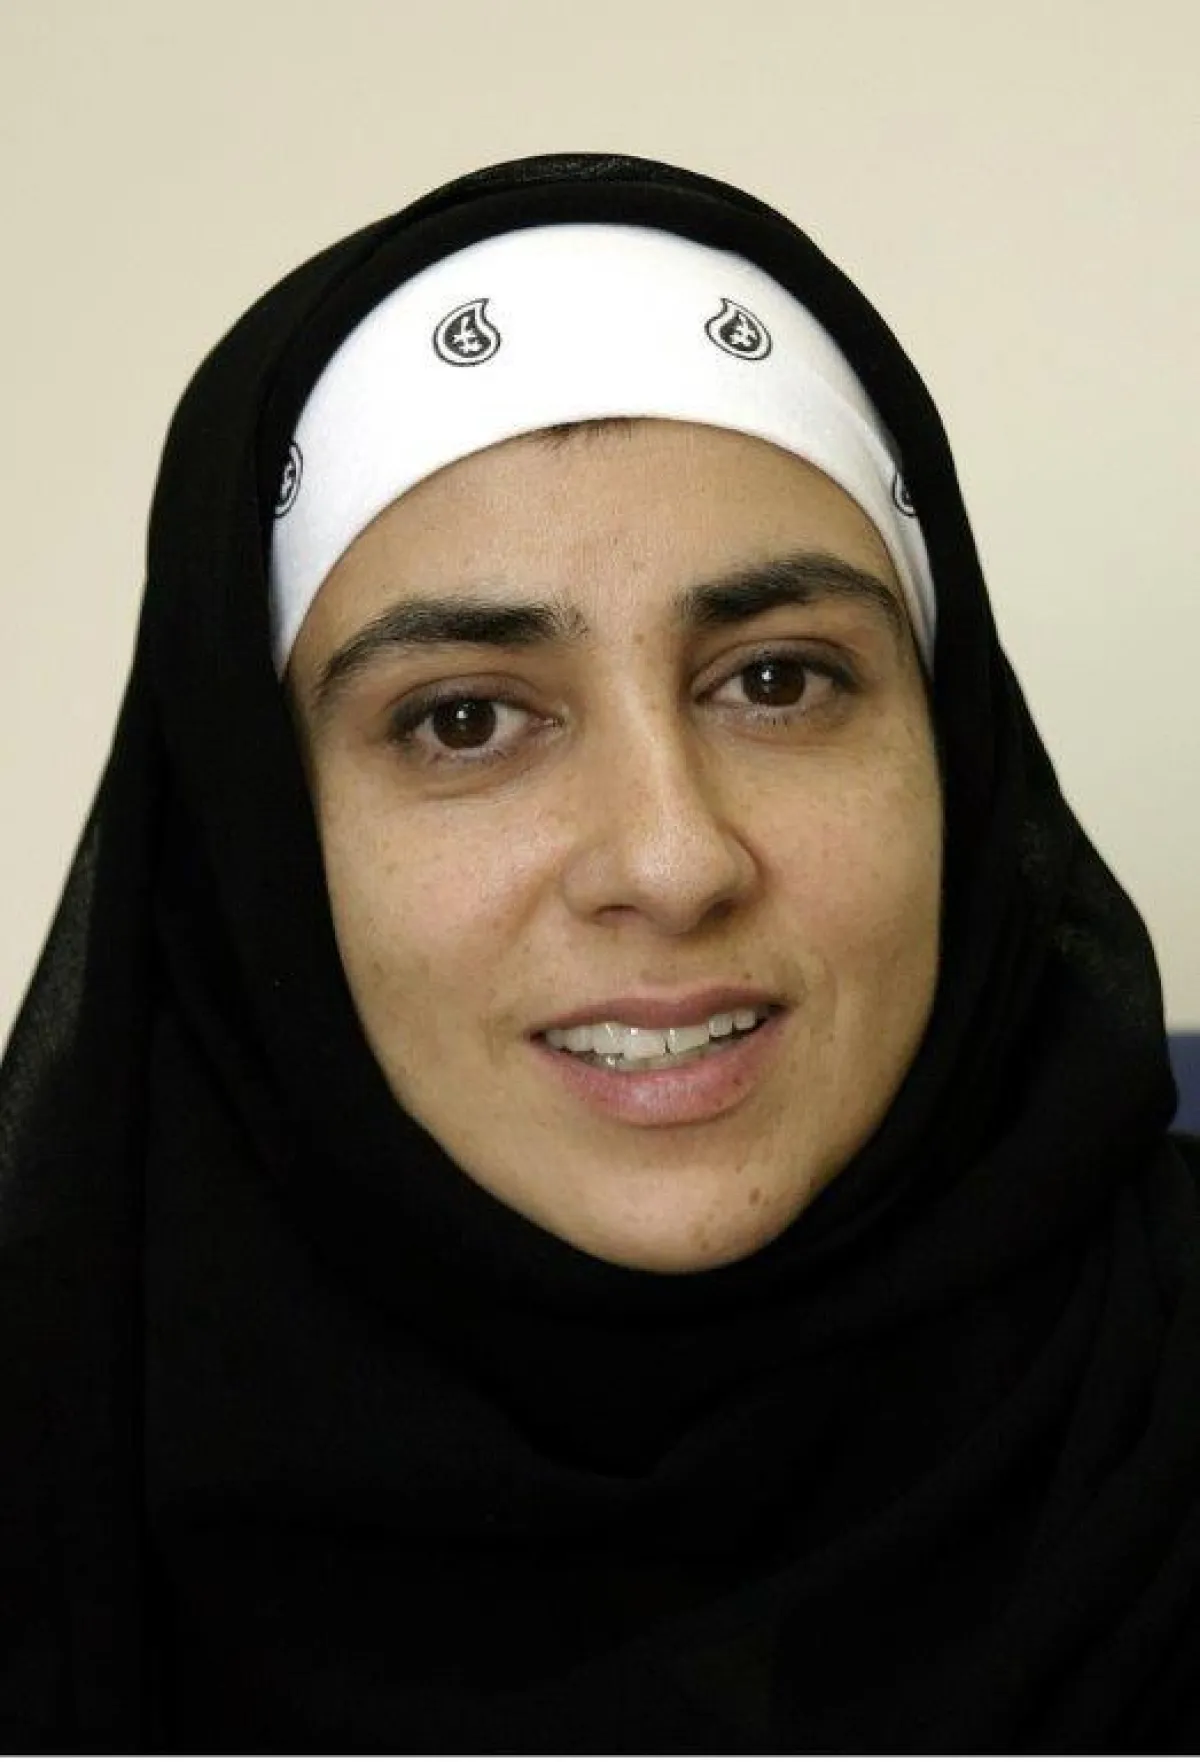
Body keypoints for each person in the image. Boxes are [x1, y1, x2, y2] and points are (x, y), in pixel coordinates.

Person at [1, 151, 1197, 1753]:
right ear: (259, 843)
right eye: (464, 719)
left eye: (777, 681)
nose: (673, 858)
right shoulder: (54, 1471)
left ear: (954, 752)